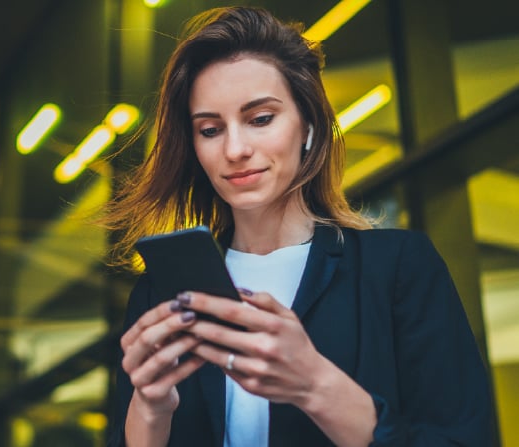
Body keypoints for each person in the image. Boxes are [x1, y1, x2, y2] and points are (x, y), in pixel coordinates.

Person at [102, 6, 494, 447]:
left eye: (261, 119)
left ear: (307, 124)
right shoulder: (163, 293)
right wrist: (150, 409)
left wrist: (314, 384)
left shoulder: (399, 268)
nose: (235, 148)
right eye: (210, 129)